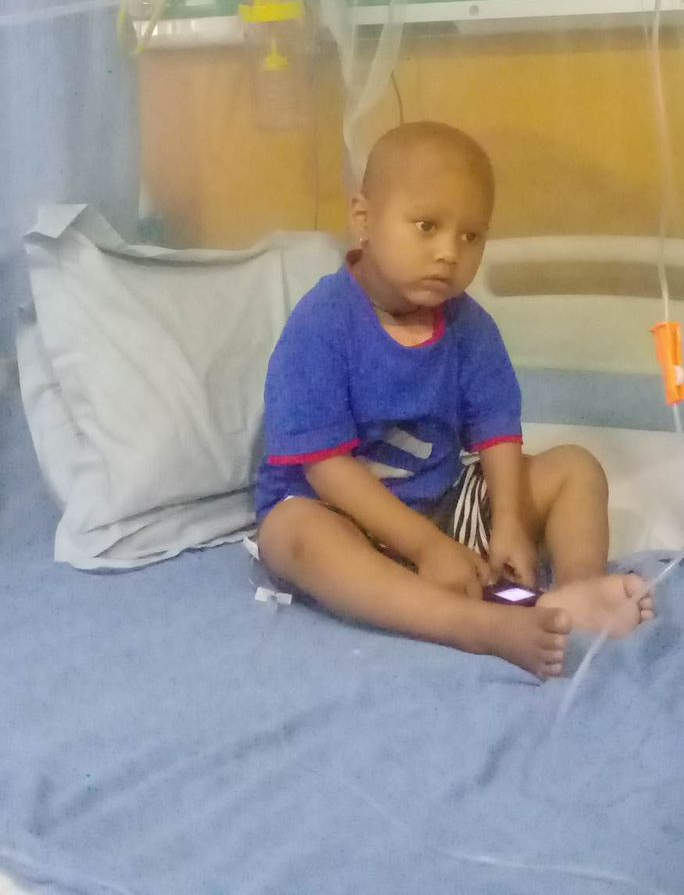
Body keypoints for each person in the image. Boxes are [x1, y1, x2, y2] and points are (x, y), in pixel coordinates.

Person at [256, 121, 653, 679]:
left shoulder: (470, 326)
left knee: (575, 468)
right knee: (291, 536)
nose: (449, 253)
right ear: (363, 220)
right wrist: (426, 548)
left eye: (471, 237)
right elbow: (327, 470)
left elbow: (496, 430)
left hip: (443, 504)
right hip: (341, 515)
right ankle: (470, 624)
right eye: (427, 226)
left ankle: (577, 591)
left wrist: (510, 522)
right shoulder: (322, 324)